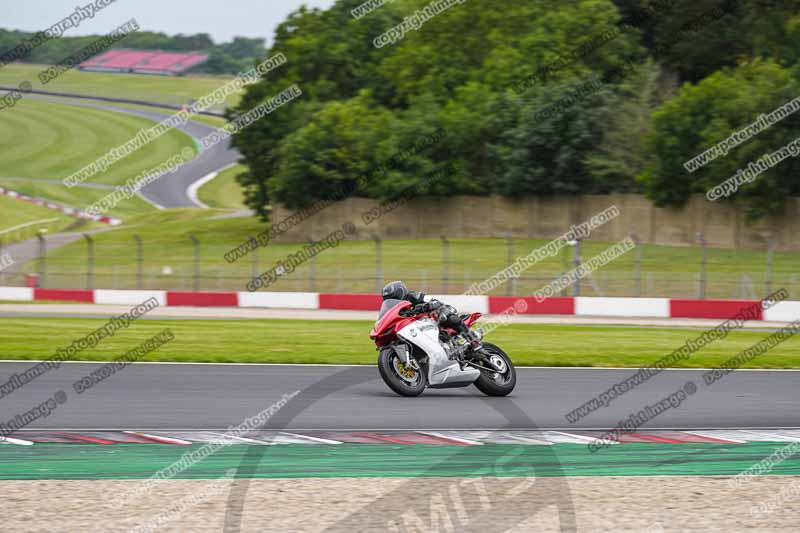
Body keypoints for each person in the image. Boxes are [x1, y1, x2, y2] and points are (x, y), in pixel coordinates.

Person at [380, 281, 482, 350]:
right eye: (388, 299)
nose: (391, 300)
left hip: (433, 317)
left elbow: (432, 300)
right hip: (416, 327)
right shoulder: (394, 308)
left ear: (399, 292)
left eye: (392, 297)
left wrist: (428, 305)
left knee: (444, 314)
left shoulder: (413, 296)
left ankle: (473, 341)